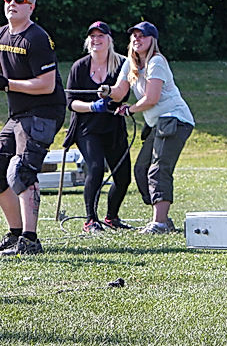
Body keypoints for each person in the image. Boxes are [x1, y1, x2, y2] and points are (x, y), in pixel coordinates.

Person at [0, 0, 67, 256]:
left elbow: (47, 84)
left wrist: (8, 84)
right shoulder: (0, 35)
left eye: (19, 1)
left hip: (44, 112)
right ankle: (15, 234)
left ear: (31, 6)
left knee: (22, 172)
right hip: (17, 114)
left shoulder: (38, 38)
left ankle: (30, 240)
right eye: (8, 0)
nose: (12, 5)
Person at [101, 22, 194, 235]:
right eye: (134, 36)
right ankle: (163, 219)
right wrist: (106, 91)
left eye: (142, 36)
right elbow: (119, 91)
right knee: (141, 169)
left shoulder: (156, 62)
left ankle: (159, 222)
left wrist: (130, 109)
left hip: (175, 119)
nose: (137, 39)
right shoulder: (130, 64)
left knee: (159, 169)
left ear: (153, 40)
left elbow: (151, 98)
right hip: (157, 123)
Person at [63, 21, 130, 234]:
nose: (96, 40)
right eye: (92, 36)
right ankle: (90, 220)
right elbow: (71, 102)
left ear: (109, 39)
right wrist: (92, 106)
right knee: (95, 168)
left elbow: (124, 94)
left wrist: (111, 95)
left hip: (114, 127)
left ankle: (112, 217)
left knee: (123, 176)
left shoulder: (122, 64)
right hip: (87, 128)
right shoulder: (79, 67)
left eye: (101, 36)